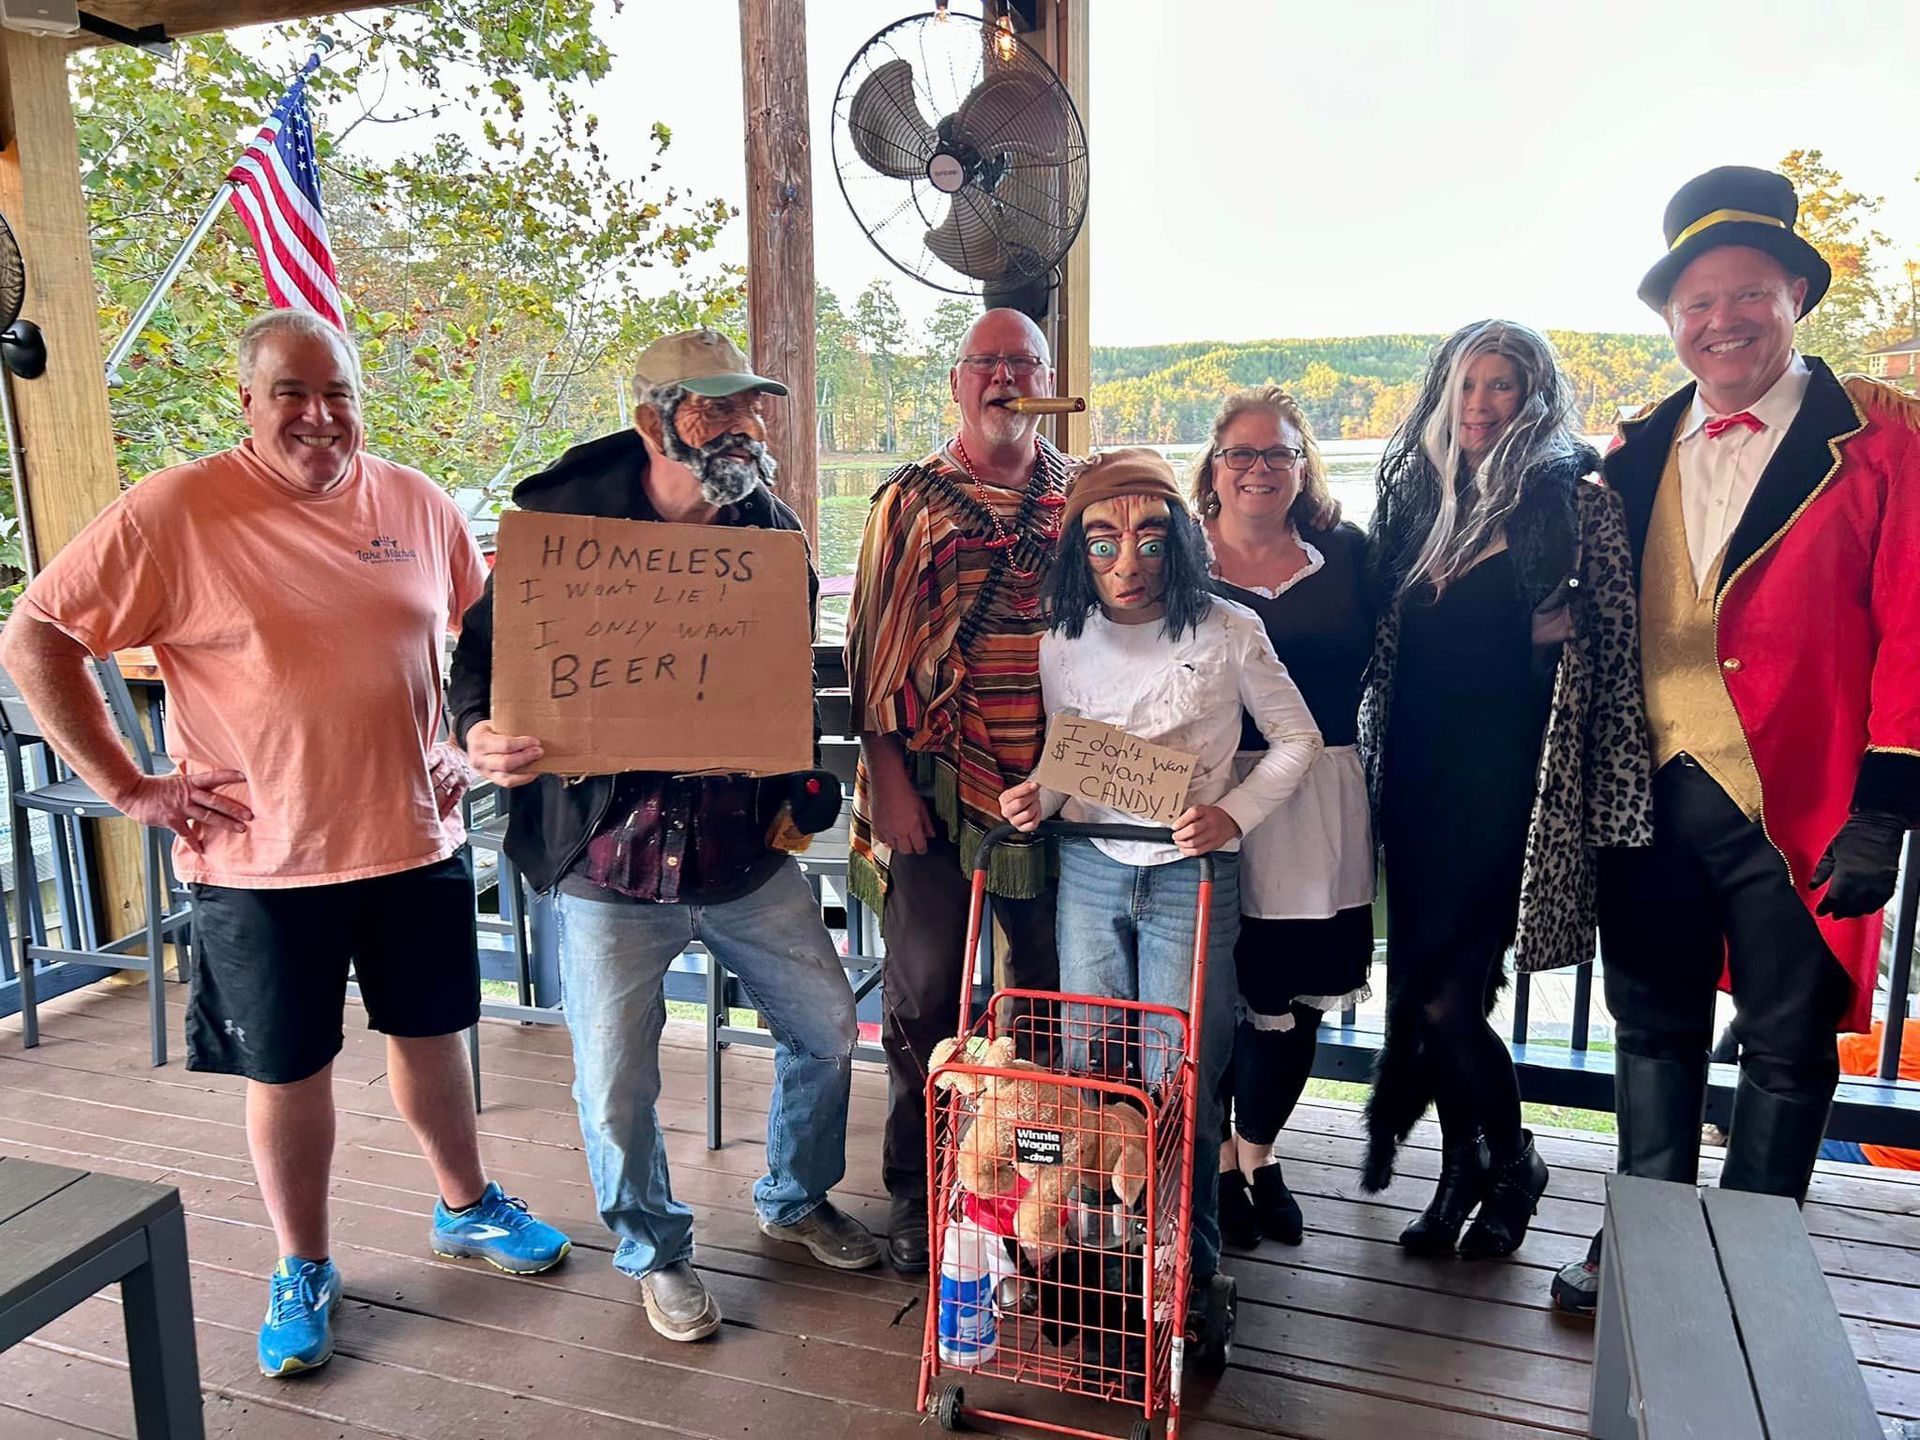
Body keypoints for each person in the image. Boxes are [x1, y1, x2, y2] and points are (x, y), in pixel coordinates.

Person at [0, 310, 571, 1377]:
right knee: (288, 1065)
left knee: (434, 1034)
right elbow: (36, 636)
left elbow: (486, 642)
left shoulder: (420, 502)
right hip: (262, 857)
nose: (319, 415)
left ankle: (466, 1205)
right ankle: (302, 1262)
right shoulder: (177, 509)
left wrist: (464, 735)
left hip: (413, 834)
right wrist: (129, 784)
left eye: (339, 392)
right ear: (248, 403)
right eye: (293, 394)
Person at [449, 328, 881, 1344]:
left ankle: (795, 1198)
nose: (744, 428)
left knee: (826, 1030)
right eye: (716, 409)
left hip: (740, 854)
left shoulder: (770, 526)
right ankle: (655, 1251)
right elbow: (478, 662)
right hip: (606, 860)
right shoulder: (557, 523)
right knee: (613, 1084)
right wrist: (481, 735)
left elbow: (785, 681)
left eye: (752, 409)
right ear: (653, 421)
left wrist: (804, 789)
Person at [1553, 166, 1920, 1313]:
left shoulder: (1881, 442)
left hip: (1800, 799)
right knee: (1651, 1021)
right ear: (1670, 321)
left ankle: (1754, 1259)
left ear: (1794, 296)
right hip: (1648, 793)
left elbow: (1916, 622)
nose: (1721, 322)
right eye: (1695, 304)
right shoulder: (1632, 452)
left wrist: (1886, 806)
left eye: (1745, 294)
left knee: (1788, 1035)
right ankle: (1649, 1244)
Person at [998, 446, 1323, 1301]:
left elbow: (1299, 741)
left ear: (1179, 538)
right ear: (1079, 552)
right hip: (1094, 870)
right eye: (1103, 543)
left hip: (1190, 874)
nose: (1128, 563)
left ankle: (1186, 1262)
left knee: (1180, 1071)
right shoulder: (1062, 642)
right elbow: (1070, 755)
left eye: (1148, 538)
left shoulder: (1227, 631)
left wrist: (1233, 814)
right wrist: (1037, 796)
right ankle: (1092, 1257)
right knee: (1090, 1068)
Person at [1361, 320, 1651, 1260]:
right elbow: (1394, 643)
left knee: (1451, 1000)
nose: (1482, 404)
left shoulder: (1568, 502)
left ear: (1536, 397)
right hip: (1414, 781)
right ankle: (1461, 1175)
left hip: (1505, 789)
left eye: (1505, 386)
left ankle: (1513, 1163)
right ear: (1444, 392)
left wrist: (1530, 647)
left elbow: (1603, 655)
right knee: (1421, 995)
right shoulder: (1412, 500)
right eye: (1468, 384)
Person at [844, 308, 1071, 1272]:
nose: (1005, 378)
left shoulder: (1085, 499)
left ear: (1050, 378)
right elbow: (869, 656)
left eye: (1025, 362)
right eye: (987, 362)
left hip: (1062, 794)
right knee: (928, 995)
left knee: (1052, 999)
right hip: (936, 788)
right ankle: (918, 1187)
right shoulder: (913, 501)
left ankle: (1037, 1194)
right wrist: (893, 786)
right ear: (957, 382)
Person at [1190, 389, 1375, 1250]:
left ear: (1303, 468)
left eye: (1279, 454)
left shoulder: (1348, 556)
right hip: (1211, 795)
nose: (1260, 469)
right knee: (1214, 994)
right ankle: (1213, 1167)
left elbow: (1421, 647)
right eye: (1242, 454)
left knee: (1291, 997)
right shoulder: (1178, 561)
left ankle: (1258, 1156)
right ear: (1214, 469)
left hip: (1320, 797)